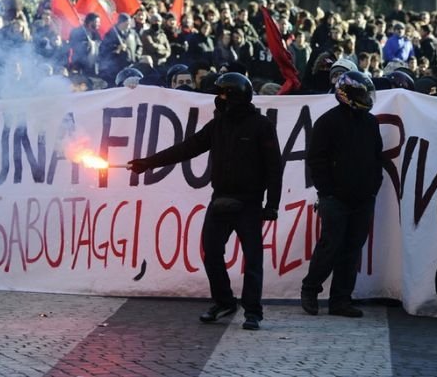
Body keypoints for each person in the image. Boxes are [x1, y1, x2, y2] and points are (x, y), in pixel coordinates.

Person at [127, 73, 282, 330]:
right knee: (211, 253)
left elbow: (274, 168)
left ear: (234, 96)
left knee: (253, 259)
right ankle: (224, 302)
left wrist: (272, 205)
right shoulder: (218, 124)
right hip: (220, 200)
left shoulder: (261, 126)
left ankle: (253, 311)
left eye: (222, 94)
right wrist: (148, 163)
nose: (217, 99)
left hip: (249, 203)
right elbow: (188, 147)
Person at [300, 70, 383, 318]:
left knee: (352, 249)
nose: (368, 98)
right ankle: (310, 288)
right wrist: (327, 191)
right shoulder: (328, 122)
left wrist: (372, 188)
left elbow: (376, 157)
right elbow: (316, 159)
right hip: (334, 199)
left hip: (363, 198)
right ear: (348, 95)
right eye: (362, 93)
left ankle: (340, 300)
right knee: (330, 246)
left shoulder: (371, 122)